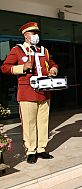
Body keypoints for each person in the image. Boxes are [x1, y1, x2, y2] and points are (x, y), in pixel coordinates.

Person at [1, 22, 57, 164]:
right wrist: (22, 67)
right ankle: (31, 150)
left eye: (37, 33)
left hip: (45, 92)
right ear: (25, 35)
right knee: (29, 123)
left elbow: (52, 63)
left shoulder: (43, 50)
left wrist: (54, 70)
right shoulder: (18, 50)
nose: (36, 35)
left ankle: (41, 149)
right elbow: (5, 68)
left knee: (43, 122)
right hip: (27, 92)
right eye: (33, 33)